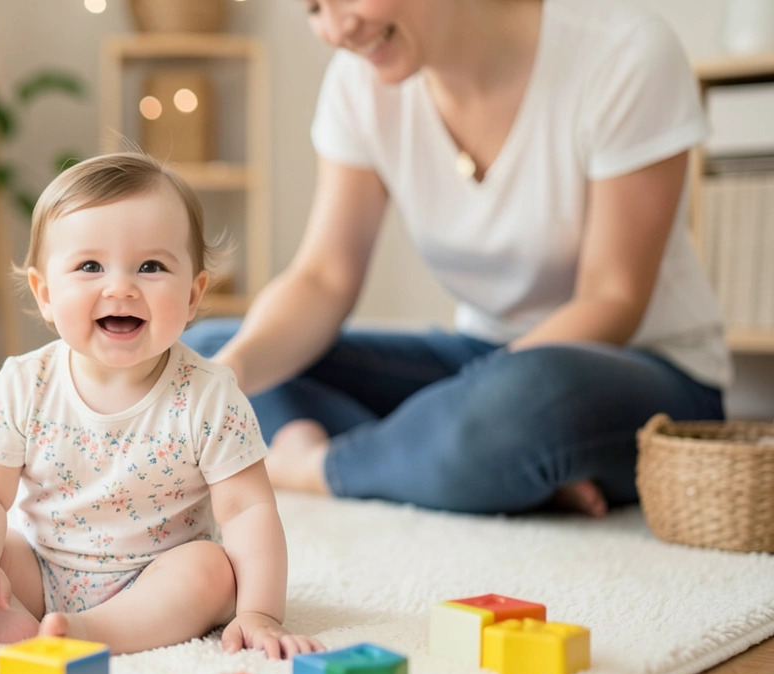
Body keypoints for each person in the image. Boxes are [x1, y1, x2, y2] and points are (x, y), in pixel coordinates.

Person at [184, 0, 729, 516]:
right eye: (313, 7)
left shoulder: (623, 52)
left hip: (637, 373)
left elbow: (612, 299)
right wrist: (230, 375)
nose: (335, 29)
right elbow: (323, 278)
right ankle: (480, 468)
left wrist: (473, 404)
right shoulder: (358, 84)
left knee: (520, 400)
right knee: (204, 353)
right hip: (479, 358)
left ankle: (324, 466)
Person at [0, 153, 324, 659]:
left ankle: (85, 632)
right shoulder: (25, 383)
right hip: (39, 570)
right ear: (45, 294)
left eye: (151, 267)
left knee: (211, 570)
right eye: (90, 266)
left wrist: (260, 612)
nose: (120, 287)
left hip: (156, 581)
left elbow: (248, 509)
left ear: (193, 295)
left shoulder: (210, 395)